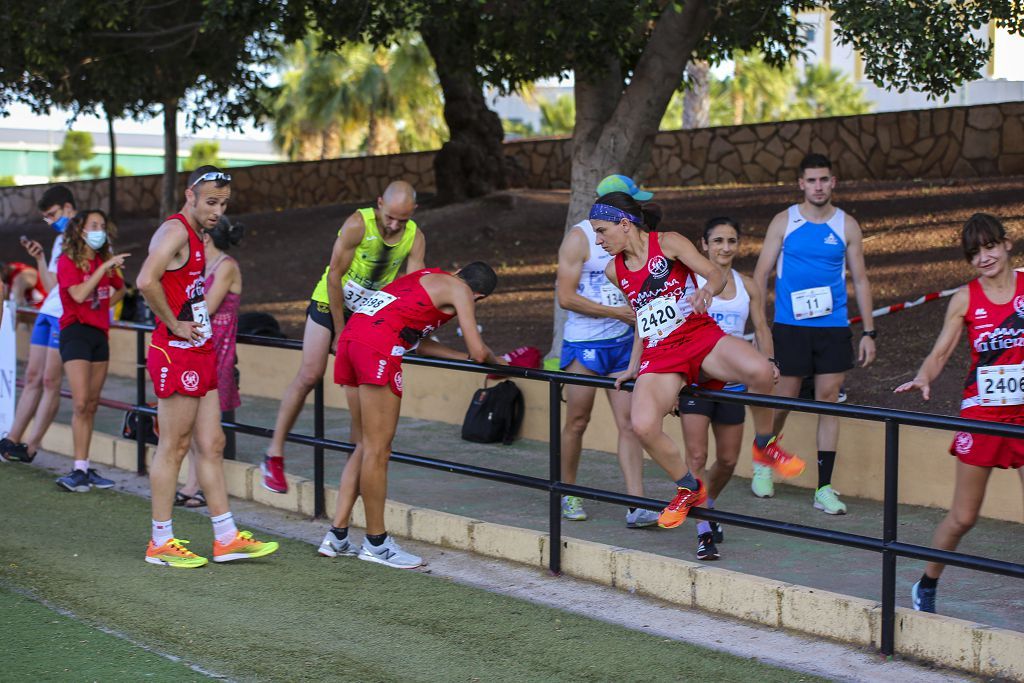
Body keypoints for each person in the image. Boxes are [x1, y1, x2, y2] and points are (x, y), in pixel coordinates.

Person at [592, 192, 805, 530]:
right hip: (660, 353)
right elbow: (640, 318)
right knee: (643, 425)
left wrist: (706, 291)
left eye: (602, 231)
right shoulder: (612, 270)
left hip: (698, 335)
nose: (598, 240)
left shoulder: (669, 242)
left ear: (624, 224)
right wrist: (634, 365)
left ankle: (765, 444)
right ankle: (688, 486)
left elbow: (715, 275)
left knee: (761, 371)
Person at [137, 166, 277, 568]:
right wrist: (174, 323)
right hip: (177, 351)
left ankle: (226, 537)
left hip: (200, 351)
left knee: (211, 445)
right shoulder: (177, 230)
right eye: (211, 202)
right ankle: (160, 542)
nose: (217, 211)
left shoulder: (198, 235)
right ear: (190, 195)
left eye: (224, 204)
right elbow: (147, 280)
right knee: (175, 446)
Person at [318, 262, 502, 569]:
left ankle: (336, 535)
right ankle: (376, 543)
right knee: (378, 450)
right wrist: (499, 363)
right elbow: (480, 352)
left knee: (364, 445)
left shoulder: (426, 277)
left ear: (458, 270)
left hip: (352, 341)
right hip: (376, 348)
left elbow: (417, 339)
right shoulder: (461, 292)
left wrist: (463, 358)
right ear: (479, 296)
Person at [895, 213, 1024, 614]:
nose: (984, 257)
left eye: (989, 247)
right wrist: (923, 377)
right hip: (982, 414)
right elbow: (940, 353)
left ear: (1006, 245)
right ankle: (928, 582)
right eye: (975, 253)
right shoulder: (966, 299)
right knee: (964, 516)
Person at [261, 181, 425, 493]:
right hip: (330, 303)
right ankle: (273, 455)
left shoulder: (414, 237)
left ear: (412, 213)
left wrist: (407, 330)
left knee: (360, 390)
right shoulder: (356, 225)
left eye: (401, 220)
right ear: (379, 204)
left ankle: (357, 462)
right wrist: (339, 330)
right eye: (389, 217)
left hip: (368, 315)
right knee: (310, 373)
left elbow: (412, 287)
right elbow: (335, 276)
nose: (393, 225)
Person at [753, 153, 876, 514]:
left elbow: (862, 279)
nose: (818, 186)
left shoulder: (846, 225)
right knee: (786, 397)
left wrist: (869, 331)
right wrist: (762, 329)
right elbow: (760, 275)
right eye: (812, 180)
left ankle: (824, 488)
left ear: (833, 182)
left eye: (824, 180)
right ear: (801, 184)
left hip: (833, 327)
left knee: (828, 398)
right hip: (790, 326)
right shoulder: (784, 221)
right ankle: (764, 457)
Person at [555, 174, 656, 527]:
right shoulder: (579, 238)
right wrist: (617, 312)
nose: (638, 208)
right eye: (631, 201)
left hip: (623, 345)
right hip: (584, 345)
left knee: (630, 424)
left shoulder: (632, 235)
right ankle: (566, 491)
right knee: (577, 421)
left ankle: (636, 502)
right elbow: (565, 297)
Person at [678, 217, 772, 560]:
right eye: (717, 241)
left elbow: (761, 328)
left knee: (729, 459)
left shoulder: (748, 286)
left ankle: (708, 502)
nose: (725, 247)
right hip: (697, 385)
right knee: (698, 457)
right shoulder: (690, 283)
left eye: (731, 240)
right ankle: (703, 530)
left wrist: (770, 362)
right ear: (703, 245)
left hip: (733, 385)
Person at [53, 210, 127, 492]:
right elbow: (78, 295)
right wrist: (101, 270)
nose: (100, 230)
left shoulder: (103, 262)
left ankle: (84, 467)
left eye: (103, 226)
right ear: (80, 230)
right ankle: (77, 468)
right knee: (81, 401)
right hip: (75, 333)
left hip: (99, 334)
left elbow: (120, 289)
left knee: (93, 404)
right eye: (94, 225)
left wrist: (104, 302)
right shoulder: (67, 261)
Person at [0, 186, 75, 464]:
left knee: (49, 380)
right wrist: (40, 258)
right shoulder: (59, 240)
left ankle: (31, 447)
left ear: (68, 208)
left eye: (53, 215)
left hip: (64, 315)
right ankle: (11, 440)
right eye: (46, 217)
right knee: (32, 376)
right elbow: (50, 284)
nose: (51, 221)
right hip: (48, 311)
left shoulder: (88, 237)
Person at [176, 217, 244, 509]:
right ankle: (193, 483)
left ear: (205, 239)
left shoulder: (226, 266)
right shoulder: (202, 267)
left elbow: (207, 307)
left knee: (209, 429)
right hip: (199, 350)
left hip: (219, 353)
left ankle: (204, 485)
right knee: (191, 424)